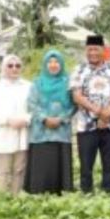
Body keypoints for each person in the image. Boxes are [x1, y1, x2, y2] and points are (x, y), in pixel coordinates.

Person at [70, 35, 110, 194]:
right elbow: (77, 96)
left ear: (103, 50)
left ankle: (108, 193)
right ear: (86, 51)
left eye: (96, 49)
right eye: (90, 49)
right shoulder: (79, 69)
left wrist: (107, 115)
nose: (93, 52)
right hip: (86, 126)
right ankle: (87, 194)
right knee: (86, 165)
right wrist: (101, 112)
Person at [25, 50, 77, 195]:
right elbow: (31, 104)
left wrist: (60, 119)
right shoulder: (37, 82)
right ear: (45, 64)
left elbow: (74, 105)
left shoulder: (69, 82)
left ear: (61, 64)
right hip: (40, 132)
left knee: (59, 161)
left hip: (61, 131)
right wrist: (44, 118)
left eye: (56, 62)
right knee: (42, 162)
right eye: (50, 62)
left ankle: (61, 192)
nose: (53, 65)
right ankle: (39, 191)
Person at [0, 54, 31, 194]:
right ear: (4, 68)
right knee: (3, 171)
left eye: (17, 65)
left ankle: (16, 200)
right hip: (3, 134)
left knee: (20, 169)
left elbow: (36, 107)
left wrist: (26, 119)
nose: (14, 68)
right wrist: (8, 120)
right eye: (10, 65)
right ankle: (2, 202)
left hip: (23, 132)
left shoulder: (29, 86)